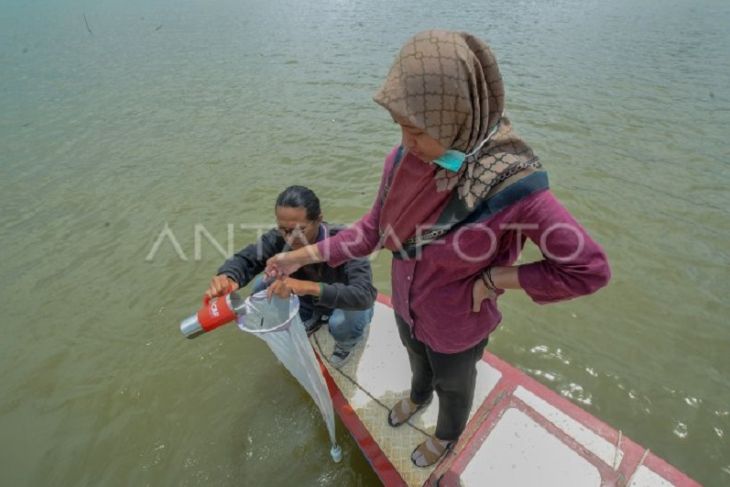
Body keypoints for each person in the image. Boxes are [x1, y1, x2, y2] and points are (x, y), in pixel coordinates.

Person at [264, 30, 611, 467]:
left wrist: (494, 278)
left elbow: (588, 268)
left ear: (458, 117)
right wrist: (294, 257)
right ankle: (416, 394)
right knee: (416, 359)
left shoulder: (515, 187)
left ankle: (447, 435)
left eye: (418, 130)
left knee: (455, 382)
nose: (407, 143)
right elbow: (371, 230)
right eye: (401, 128)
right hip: (409, 304)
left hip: (457, 321)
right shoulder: (402, 163)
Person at [205, 185, 376, 368]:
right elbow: (247, 258)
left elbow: (365, 294)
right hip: (308, 301)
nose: (289, 238)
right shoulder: (279, 237)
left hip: (342, 303)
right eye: (283, 230)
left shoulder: (346, 241)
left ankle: (346, 343)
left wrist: (304, 286)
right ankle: (310, 317)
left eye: (298, 230)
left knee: (348, 316)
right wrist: (228, 277)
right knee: (260, 286)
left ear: (319, 220)